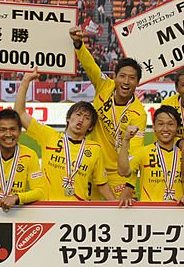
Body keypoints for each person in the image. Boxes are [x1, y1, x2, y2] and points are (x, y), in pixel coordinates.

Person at [70, 26, 147, 198]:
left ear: (138, 83)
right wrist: (78, 44)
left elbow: (135, 154)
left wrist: (129, 185)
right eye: (122, 76)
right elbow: (90, 66)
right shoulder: (105, 86)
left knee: (121, 217)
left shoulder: (138, 114)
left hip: (117, 174)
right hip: (89, 163)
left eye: (132, 78)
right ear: (115, 76)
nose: (126, 81)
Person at [14, 70, 113, 201]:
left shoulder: (95, 149)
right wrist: (25, 81)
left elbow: (102, 184)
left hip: (77, 212)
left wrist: (117, 206)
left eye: (86, 118)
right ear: (68, 118)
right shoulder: (49, 136)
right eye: (78, 115)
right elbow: (19, 113)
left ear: (90, 126)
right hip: (48, 208)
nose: (81, 120)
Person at [117, 106, 184, 206]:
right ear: (154, 127)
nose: (165, 129)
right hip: (149, 212)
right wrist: (126, 140)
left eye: (170, 124)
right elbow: (123, 171)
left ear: (177, 127)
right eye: (160, 124)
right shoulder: (143, 152)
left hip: (179, 210)